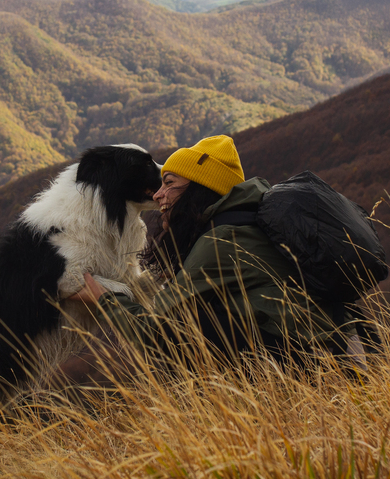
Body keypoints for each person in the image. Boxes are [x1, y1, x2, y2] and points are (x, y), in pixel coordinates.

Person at [68, 134, 363, 369]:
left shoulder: (222, 241)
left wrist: (104, 299)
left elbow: (153, 333)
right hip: (338, 354)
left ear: (199, 190)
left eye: (169, 184)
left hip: (314, 368)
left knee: (185, 332)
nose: (158, 195)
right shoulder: (249, 223)